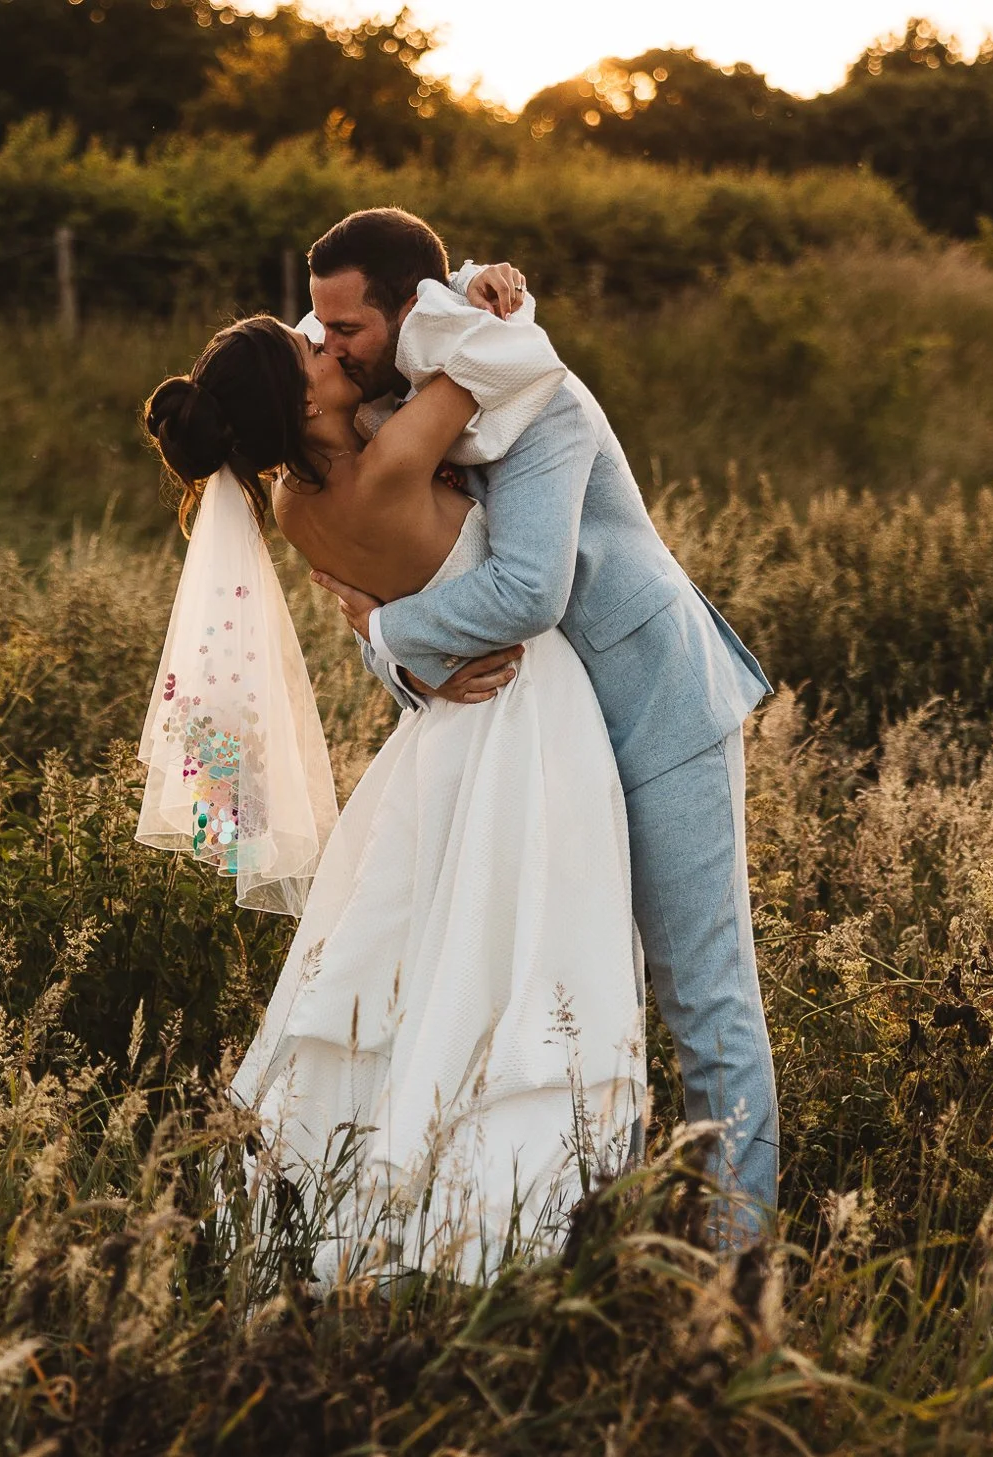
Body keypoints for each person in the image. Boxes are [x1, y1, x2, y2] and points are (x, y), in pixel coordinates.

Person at [137, 289, 645, 1282]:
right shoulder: (398, 458)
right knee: (527, 947)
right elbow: (509, 354)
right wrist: (491, 295)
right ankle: (497, 1214)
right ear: (304, 400)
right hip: (527, 711)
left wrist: (396, 643)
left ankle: (357, 1191)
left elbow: (370, 555)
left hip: (438, 725)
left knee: (427, 954)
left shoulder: (292, 504)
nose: (329, 342)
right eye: (311, 347)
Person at [301, 209, 777, 1241]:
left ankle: (734, 1270)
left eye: (346, 329)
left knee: (703, 996)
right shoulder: (407, 404)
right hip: (550, 752)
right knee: (572, 992)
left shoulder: (536, 397)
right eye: (320, 328)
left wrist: (386, 632)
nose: (329, 345)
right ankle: (598, 1233)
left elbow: (528, 586)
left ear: (407, 313)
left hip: (656, 705)